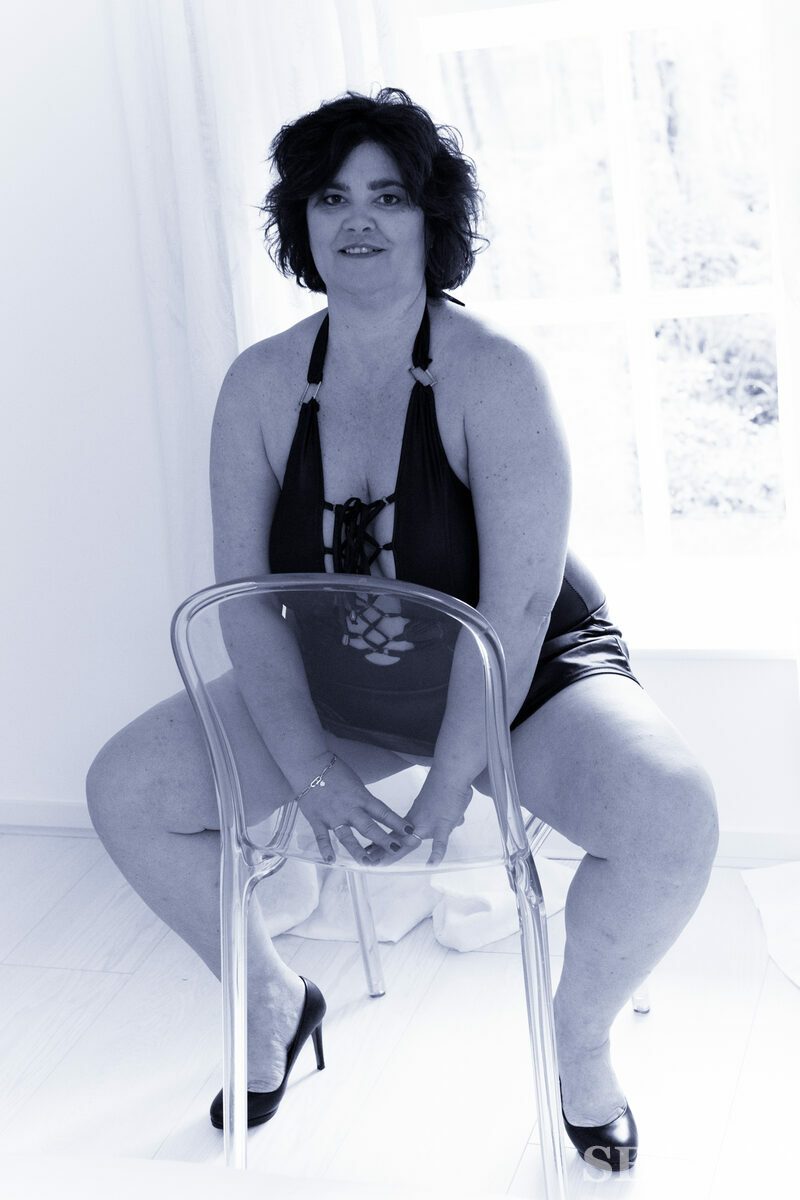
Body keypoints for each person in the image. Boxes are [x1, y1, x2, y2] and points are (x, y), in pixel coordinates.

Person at [86, 88, 718, 1171]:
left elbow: (516, 610)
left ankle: (580, 1043)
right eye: (331, 198)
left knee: (672, 817)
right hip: (343, 684)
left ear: (432, 218)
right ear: (303, 222)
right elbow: (245, 600)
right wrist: (312, 771)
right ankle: (272, 1001)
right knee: (126, 791)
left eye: (388, 196)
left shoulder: (496, 376)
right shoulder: (259, 385)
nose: (359, 220)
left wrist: (451, 782)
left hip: (523, 682)